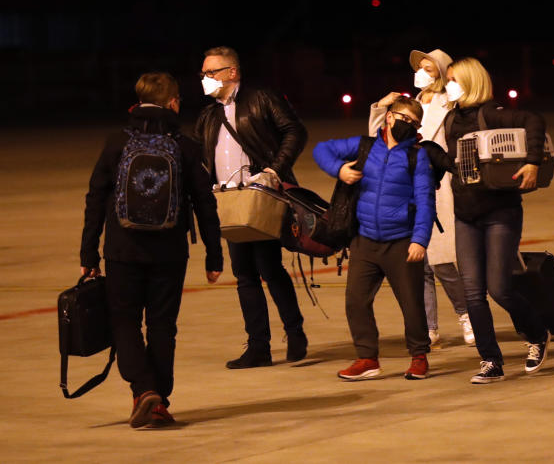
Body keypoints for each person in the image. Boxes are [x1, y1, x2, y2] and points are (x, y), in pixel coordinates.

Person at [80, 72, 223, 428]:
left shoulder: (116, 142)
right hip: (169, 252)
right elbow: (206, 204)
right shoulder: (185, 146)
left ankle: (144, 391)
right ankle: (159, 400)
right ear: (173, 102)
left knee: (124, 322)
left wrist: (88, 255)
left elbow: (95, 198)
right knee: (162, 326)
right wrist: (214, 255)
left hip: (122, 249)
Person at [193, 46, 309, 369]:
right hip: (228, 202)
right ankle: (259, 346)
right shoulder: (208, 115)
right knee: (244, 273)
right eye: (202, 74)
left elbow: (295, 131)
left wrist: (275, 169)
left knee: (269, 268)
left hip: (260, 196)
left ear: (232, 72)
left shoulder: (261, 98)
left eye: (211, 72)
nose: (205, 79)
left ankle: (294, 332)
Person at [443, 57, 551, 384]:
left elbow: (533, 120)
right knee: (472, 293)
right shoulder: (450, 119)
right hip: (465, 215)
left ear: (470, 82)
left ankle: (536, 334)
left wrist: (532, 162)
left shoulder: (492, 113)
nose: (448, 85)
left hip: (499, 212)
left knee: (499, 288)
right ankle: (491, 360)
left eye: (452, 80)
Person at [314, 96, 436, 380]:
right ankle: (367, 358)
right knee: (355, 301)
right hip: (365, 239)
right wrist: (340, 170)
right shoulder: (365, 146)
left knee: (411, 303)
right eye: (403, 118)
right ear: (390, 117)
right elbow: (322, 150)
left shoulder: (416, 156)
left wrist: (420, 240)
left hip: (401, 242)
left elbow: (425, 201)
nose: (408, 125)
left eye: (414, 123)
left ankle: (419, 357)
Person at [368, 49, 472, 348]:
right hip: (405, 186)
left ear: (441, 72)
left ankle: (466, 315)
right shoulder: (408, 105)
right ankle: (429, 327)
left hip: (438, 185)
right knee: (418, 262)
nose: (422, 73)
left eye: (429, 68)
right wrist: (380, 108)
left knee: (443, 261)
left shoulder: (450, 102)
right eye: (420, 68)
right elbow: (379, 137)